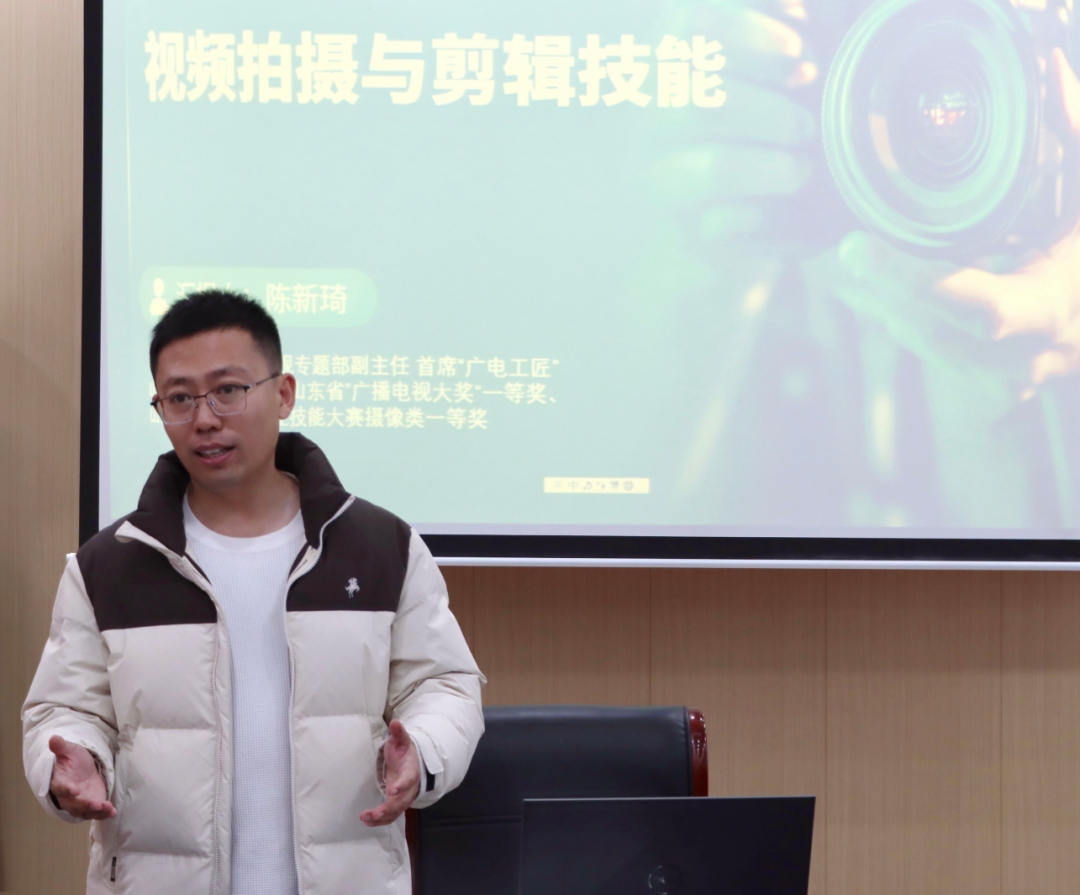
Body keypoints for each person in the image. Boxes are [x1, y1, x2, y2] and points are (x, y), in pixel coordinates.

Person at [22, 289, 485, 895]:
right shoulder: (110, 564)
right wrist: (72, 761)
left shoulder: (380, 547)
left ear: (283, 393)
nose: (205, 419)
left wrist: (423, 749)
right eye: (179, 398)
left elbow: (443, 685)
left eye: (228, 390)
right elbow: (65, 710)